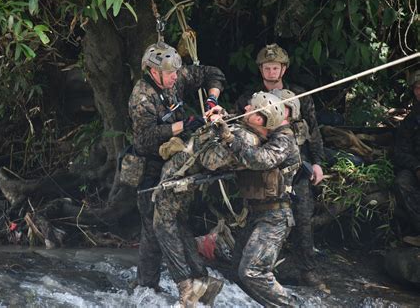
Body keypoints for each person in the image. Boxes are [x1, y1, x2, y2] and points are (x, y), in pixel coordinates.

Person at [153, 91, 302, 306]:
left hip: (275, 216)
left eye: (251, 108)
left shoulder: (281, 140)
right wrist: (222, 117)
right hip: (256, 213)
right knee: (237, 271)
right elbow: (241, 128)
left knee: (252, 272)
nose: (246, 109)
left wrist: (227, 138)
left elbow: (259, 159)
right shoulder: (258, 131)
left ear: (260, 118)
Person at [128, 41, 226, 291]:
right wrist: (185, 125)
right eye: (170, 74)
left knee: (176, 220)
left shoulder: (177, 77)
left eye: (175, 73)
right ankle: (148, 286)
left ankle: (191, 279)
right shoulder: (142, 97)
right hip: (150, 165)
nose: (175, 77)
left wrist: (212, 99)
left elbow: (212, 73)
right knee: (153, 226)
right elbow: (145, 137)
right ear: (154, 72)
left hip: (177, 162)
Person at [241, 43, 326, 288]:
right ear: (261, 70)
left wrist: (318, 163)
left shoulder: (299, 95)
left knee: (303, 218)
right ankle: (256, 271)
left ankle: (308, 271)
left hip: (298, 166)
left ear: (283, 69)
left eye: (275, 67)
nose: (271, 72)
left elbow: (313, 131)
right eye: (267, 68)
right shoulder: (252, 98)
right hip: (266, 167)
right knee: (257, 218)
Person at [393, 69, 420, 235]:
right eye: (416, 87)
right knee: (402, 182)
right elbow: (401, 150)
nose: (419, 92)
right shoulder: (413, 118)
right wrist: (417, 168)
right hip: (416, 167)